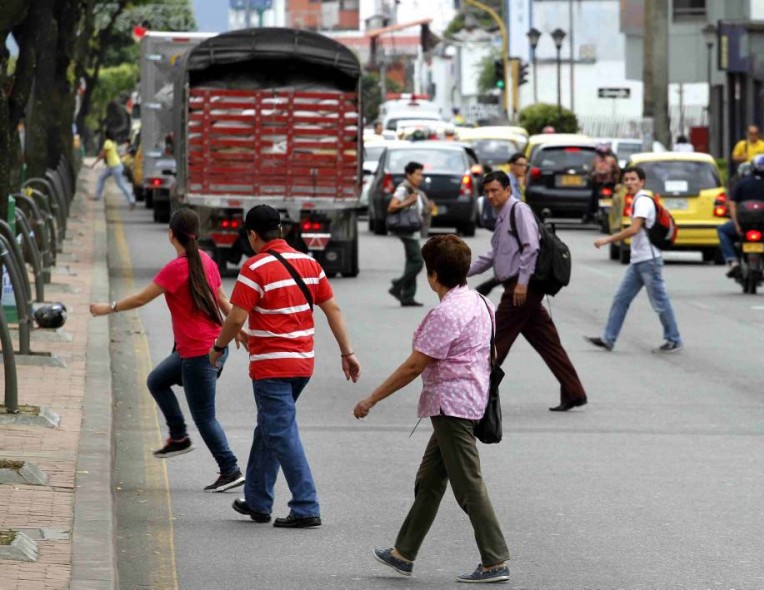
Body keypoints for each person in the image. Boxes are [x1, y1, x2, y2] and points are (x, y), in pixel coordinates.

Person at [354, 234, 510, 584]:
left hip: (453, 406)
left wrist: (371, 399)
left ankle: (494, 559)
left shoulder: (447, 312)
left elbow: (414, 366)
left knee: (468, 485)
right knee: (429, 480)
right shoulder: (480, 301)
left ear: (433, 273)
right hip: (468, 398)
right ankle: (403, 553)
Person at [210, 205, 360, 527]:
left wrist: (219, 346)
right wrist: (347, 353)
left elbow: (236, 317)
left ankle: (306, 506)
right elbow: (332, 308)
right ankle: (258, 500)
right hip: (302, 365)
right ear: (281, 230)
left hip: (271, 367)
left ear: (252, 234)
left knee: (281, 432)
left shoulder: (254, 268)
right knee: (269, 428)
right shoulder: (309, 263)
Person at [89, 208, 246, 492]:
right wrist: (238, 329)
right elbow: (222, 298)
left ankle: (230, 469)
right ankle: (178, 437)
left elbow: (140, 299)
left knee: (205, 417)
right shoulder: (206, 261)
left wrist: (107, 308)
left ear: (171, 234)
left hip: (201, 354)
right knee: (157, 381)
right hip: (208, 349)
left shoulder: (176, 269)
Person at [468, 171, 588, 412]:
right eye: (487, 192)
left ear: (507, 189)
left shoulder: (518, 210)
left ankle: (473, 394)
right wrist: (463, 271)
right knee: (548, 342)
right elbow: (494, 254)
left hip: (521, 289)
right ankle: (574, 392)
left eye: (495, 190)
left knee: (496, 340)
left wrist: (522, 282)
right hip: (521, 288)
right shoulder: (503, 216)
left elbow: (531, 247)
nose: (490, 196)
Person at [587, 166, 683, 353]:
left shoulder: (643, 201)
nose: (629, 183)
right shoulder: (638, 200)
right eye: (627, 179)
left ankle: (674, 339)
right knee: (620, 300)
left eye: (633, 179)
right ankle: (608, 338)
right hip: (639, 261)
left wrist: (607, 239)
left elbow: (634, 229)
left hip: (649, 261)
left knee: (660, 302)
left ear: (642, 182)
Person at [718, 154, 764, 278]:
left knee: (722, 230)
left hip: (743, 224)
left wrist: (737, 224)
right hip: (763, 225)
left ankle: (732, 260)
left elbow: (732, 203)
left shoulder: (741, 184)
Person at [388, 161, 432, 307]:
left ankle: (408, 297)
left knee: (411, 263)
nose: (420, 177)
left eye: (421, 174)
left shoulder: (414, 189)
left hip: (413, 230)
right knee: (418, 262)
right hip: (407, 230)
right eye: (418, 174)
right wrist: (407, 202)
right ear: (409, 175)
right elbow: (392, 207)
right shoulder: (404, 189)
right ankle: (397, 284)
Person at [91, 129, 135, 210]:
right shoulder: (113, 143)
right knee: (101, 178)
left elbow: (102, 154)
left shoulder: (108, 143)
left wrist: (94, 163)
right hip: (112, 166)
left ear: (106, 135)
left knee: (121, 184)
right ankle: (97, 196)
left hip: (115, 166)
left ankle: (131, 200)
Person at [585, 143, 620, 223]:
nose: (603, 156)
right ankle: (589, 215)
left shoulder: (611, 160)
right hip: (599, 185)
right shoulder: (596, 161)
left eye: (604, 154)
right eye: (601, 154)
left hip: (609, 184)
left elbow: (617, 171)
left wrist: (616, 179)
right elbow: (591, 172)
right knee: (593, 199)